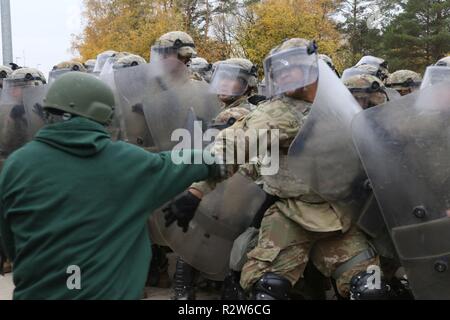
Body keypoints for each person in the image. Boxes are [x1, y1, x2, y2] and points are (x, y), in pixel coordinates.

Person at [165, 38, 382, 300]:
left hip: (341, 216)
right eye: (280, 70)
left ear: (310, 67)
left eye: (292, 67)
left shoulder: (337, 103)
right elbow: (232, 147)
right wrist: (195, 192)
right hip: (291, 215)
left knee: (371, 288)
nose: (286, 75)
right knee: (268, 291)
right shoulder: (278, 113)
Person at [0, 72, 223, 300]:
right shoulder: (131, 162)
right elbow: (187, 161)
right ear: (103, 115)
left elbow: (10, 243)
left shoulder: (16, 165)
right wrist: (217, 157)